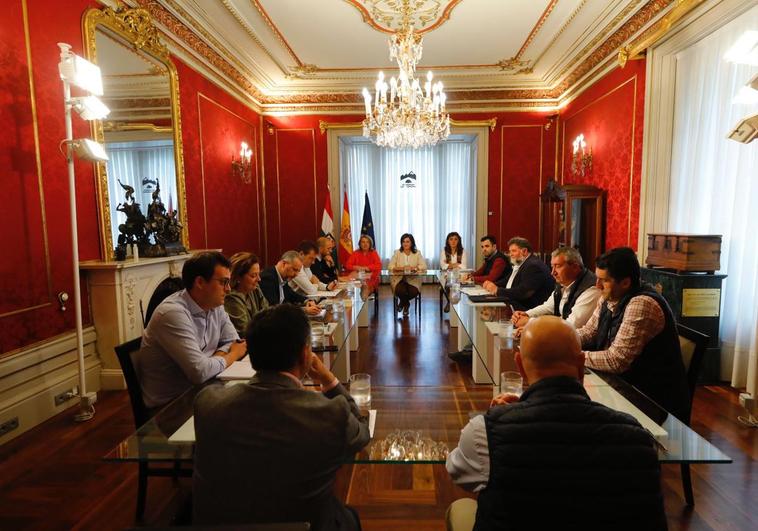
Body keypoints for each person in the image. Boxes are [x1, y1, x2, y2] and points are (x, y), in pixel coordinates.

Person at [445, 317, 667, 531]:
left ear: (519, 365)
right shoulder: (636, 437)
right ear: (581, 364)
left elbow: (458, 471)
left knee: (461, 508)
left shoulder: (486, 431)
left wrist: (504, 416)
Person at [193, 304, 370, 529]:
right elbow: (362, 432)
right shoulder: (329, 413)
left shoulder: (207, 403)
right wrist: (329, 380)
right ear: (305, 353)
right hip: (307, 524)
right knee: (348, 517)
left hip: (222, 524)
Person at [578, 246, 690, 421]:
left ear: (625, 282)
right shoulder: (609, 296)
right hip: (621, 385)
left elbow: (617, 360)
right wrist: (558, 338)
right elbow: (589, 332)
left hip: (651, 400)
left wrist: (572, 355)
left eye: (603, 280)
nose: (596, 286)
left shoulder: (642, 303)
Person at [135, 251, 247, 409]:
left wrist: (213, 359)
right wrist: (234, 354)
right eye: (223, 282)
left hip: (202, 389)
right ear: (200, 282)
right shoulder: (172, 313)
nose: (228, 289)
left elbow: (232, 340)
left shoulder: (215, 305)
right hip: (171, 406)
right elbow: (200, 372)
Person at [511, 246, 600, 333]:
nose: (553, 272)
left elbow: (571, 326)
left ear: (575, 267)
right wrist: (525, 314)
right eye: (552, 266)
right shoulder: (563, 283)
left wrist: (530, 322)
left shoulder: (591, 290)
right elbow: (548, 307)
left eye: (558, 266)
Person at [482, 236, 554, 311]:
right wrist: (492, 284)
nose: (510, 254)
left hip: (528, 310)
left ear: (525, 251)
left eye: (513, 251)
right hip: (515, 304)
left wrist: (497, 290)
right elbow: (507, 280)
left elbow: (523, 292)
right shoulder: (522, 263)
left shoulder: (533, 266)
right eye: (510, 251)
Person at [259, 251, 321, 315]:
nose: (296, 274)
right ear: (284, 264)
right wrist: (304, 310)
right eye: (294, 270)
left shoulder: (283, 277)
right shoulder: (267, 278)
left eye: (298, 271)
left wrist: (307, 301)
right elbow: (274, 308)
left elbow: (291, 294)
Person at [224, 251, 269, 336]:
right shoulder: (231, 298)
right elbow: (245, 332)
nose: (259, 279)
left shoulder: (255, 289)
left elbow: (269, 315)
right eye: (253, 276)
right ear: (238, 277)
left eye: (258, 274)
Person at [388, 233, 427, 316]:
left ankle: (402, 302)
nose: (405, 244)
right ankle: (407, 305)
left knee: (413, 292)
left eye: (407, 241)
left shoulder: (417, 253)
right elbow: (390, 266)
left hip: (413, 280)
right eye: (403, 241)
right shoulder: (397, 252)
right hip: (398, 279)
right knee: (400, 290)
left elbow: (423, 266)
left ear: (412, 243)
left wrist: (413, 268)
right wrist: (402, 268)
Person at [440, 232, 467, 313]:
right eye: (451, 239)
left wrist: (450, 265)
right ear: (448, 241)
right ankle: (450, 301)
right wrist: (456, 264)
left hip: (459, 274)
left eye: (455, 239)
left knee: (455, 282)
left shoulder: (462, 251)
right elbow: (442, 265)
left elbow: (464, 266)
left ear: (458, 241)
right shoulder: (444, 251)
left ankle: (451, 303)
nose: (453, 241)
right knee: (448, 283)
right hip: (446, 274)